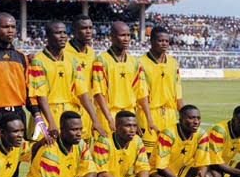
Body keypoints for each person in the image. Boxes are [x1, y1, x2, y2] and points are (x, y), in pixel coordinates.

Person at [0, 12, 53, 177]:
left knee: (14, 160)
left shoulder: (21, 57)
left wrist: (37, 113)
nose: (10, 30)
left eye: (12, 27)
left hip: (18, 115)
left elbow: (28, 89)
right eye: (5, 26)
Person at [27, 20, 106, 140]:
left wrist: (95, 120)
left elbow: (82, 92)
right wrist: (51, 122)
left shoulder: (73, 60)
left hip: (70, 114)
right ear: (48, 36)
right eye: (58, 33)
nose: (63, 36)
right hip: (48, 113)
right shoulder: (38, 61)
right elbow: (40, 96)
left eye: (64, 32)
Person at [149, 105, 213, 177]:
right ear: (181, 119)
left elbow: (203, 162)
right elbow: (161, 167)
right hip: (156, 170)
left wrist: (199, 176)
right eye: (191, 118)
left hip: (180, 170)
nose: (196, 122)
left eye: (198, 118)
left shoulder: (201, 135)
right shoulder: (167, 134)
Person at [92, 21, 155, 135]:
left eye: (128, 35)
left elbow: (141, 93)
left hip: (129, 116)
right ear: (112, 36)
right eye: (122, 35)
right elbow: (98, 93)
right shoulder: (101, 61)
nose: (126, 39)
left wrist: (148, 119)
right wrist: (109, 119)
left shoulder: (135, 62)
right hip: (108, 116)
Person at [137, 26, 183, 156]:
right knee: (148, 155)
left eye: (167, 41)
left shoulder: (173, 63)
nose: (164, 44)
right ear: (151, 41)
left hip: (169, 116)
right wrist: (149, 119)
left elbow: (178, 93)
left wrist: (184, 114)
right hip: (148, 115)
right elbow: (141, 94)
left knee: (169, 154)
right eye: (160, 40)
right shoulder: (140, 63)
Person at [64, 14, 95, 145]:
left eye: (90, 28)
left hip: (86, 108)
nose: (88, 31)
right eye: (84, 28)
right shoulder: (64, 51)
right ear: (74, 31)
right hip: (69, 107)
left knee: (84, 151)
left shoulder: (91, 53)